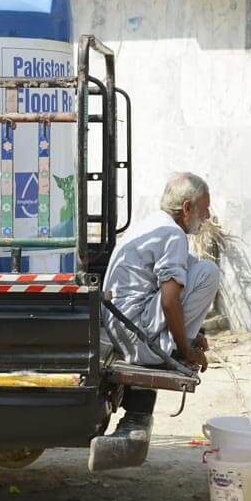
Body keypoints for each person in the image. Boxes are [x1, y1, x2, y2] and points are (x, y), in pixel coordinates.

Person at [89, 172, 221, 471]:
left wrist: (195, 328)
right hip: (135, 337)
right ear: (187, 208)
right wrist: (185, 350)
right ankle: (169, 350)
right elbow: (170, 300)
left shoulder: (153, 225)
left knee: (195, 266)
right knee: (208, 272)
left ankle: (176, 342)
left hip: (121, 329)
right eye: (204, 208)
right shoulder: (172, 235)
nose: (208, 215)